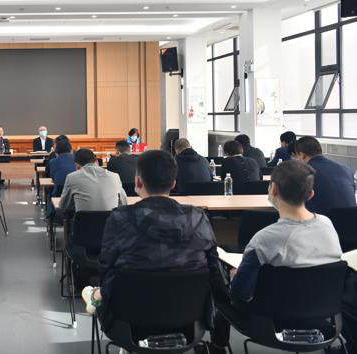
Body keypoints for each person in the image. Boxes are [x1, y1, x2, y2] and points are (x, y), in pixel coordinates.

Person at [81, 150, 222, 337]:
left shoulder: (120, 218)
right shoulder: (197, 217)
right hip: (190, 321)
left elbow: (106, 267)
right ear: (173, 183)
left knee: (102, 286)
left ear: (138, 182)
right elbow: (213, 267)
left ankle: (95, 296)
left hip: (128, 320)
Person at [211, 160, 343, 352]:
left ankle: (217, 346)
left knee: (219, 287)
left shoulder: (263, 240)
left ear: (272, 190)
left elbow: (241, 293)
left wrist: (235, 276)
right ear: (311, 194)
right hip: (323, 317)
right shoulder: (328, 225)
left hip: (269, 323)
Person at [294, 136, 356, 215]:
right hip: (351, 221)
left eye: (297, 158)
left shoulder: (304, 172)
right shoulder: (346, 170)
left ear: (302, 155)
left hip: (322, 221)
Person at [60, 148, 126, 213]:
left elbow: (63, 206)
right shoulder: (115, 176)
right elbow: (124, 202)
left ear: (77, 165)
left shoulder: (71, 177)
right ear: (96, 161)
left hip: (84, 219)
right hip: (110, 219)